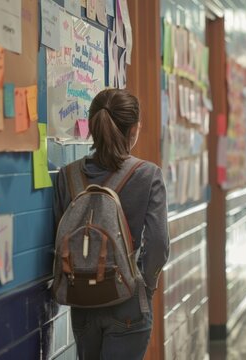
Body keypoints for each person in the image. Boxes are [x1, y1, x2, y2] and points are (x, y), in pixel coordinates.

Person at [53, 89, 169, 360]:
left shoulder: (66, 176)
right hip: (127, 305)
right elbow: (159, 245)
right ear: (133, 131)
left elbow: (58, 240)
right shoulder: (148, 175)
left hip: (82, 304)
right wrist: (144, 287)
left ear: (93, 127)